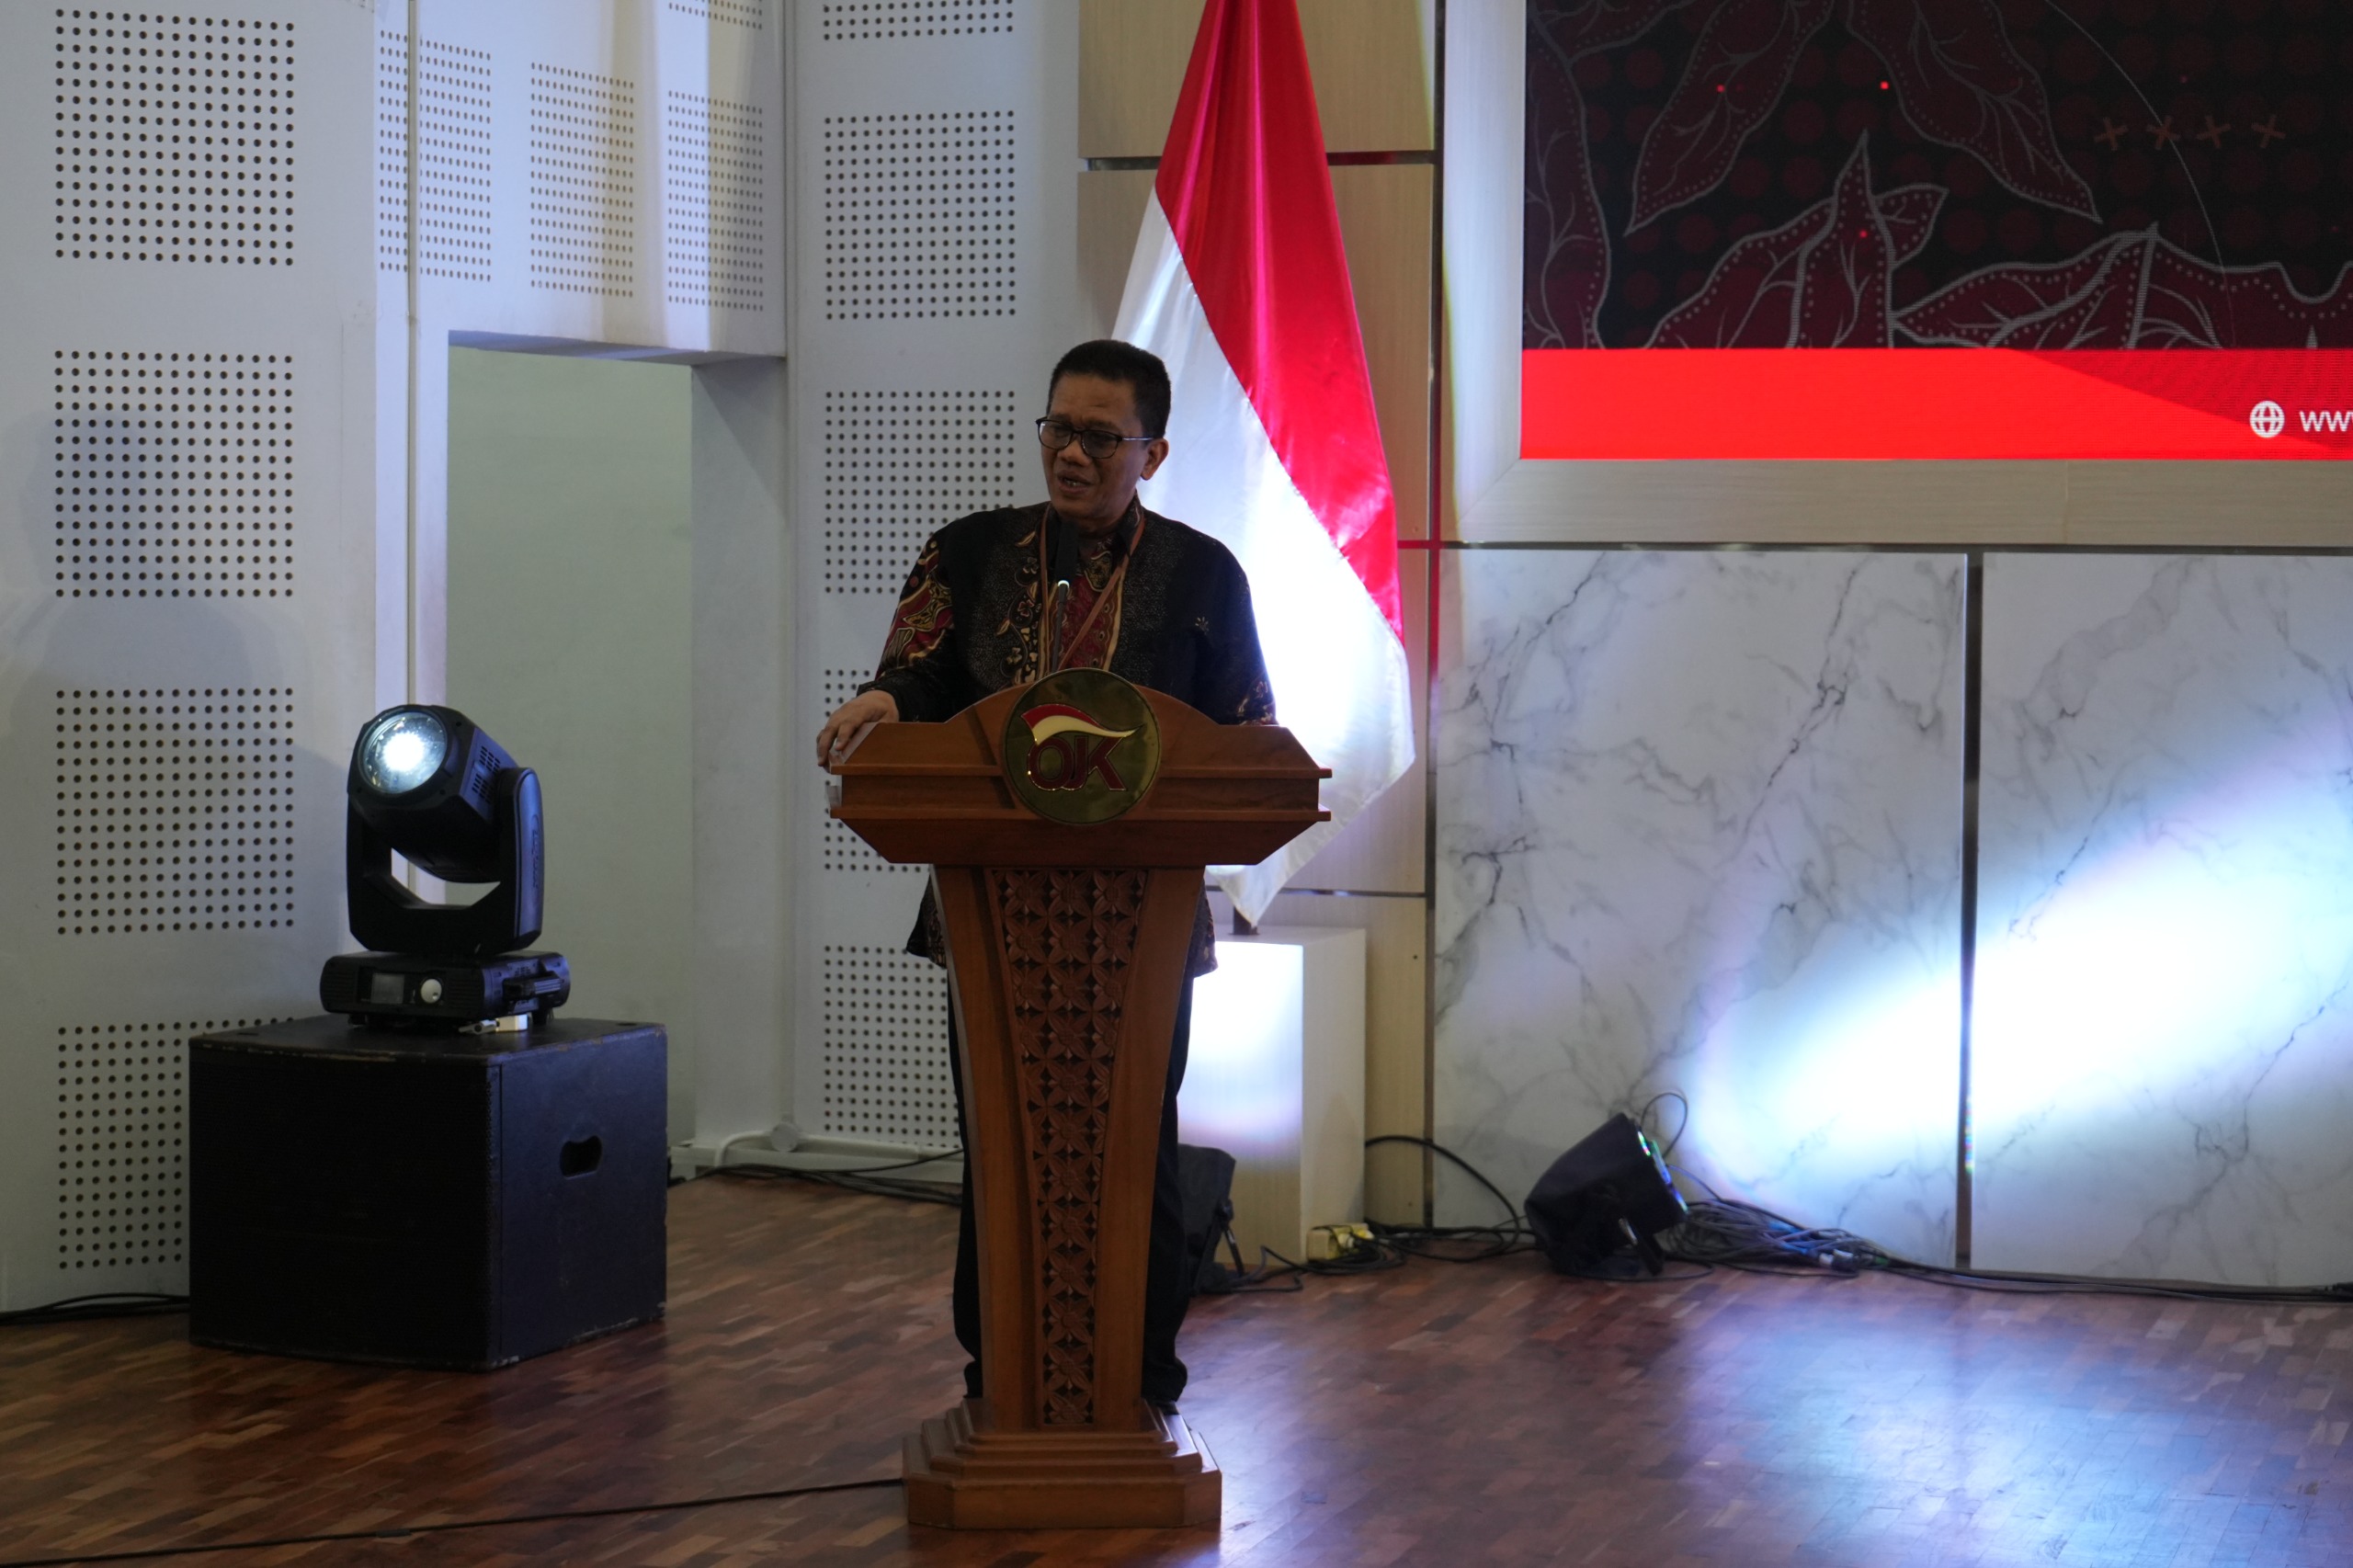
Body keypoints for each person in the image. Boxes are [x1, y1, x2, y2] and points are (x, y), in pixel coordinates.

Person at [813, 338, 1274, 1414]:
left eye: (1100, 438)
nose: (1070, 454)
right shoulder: (968, 553)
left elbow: (1250, 734)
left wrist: (1255, 763)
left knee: (1135, 1145)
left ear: (1153, 453)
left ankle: (1138, 1379)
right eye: (1058, 429)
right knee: (1005, 1144)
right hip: (995, 916)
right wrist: (885, 702)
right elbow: (918, 675)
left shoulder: (1203, 573)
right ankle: (1006, 1378)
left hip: (1142, 917)